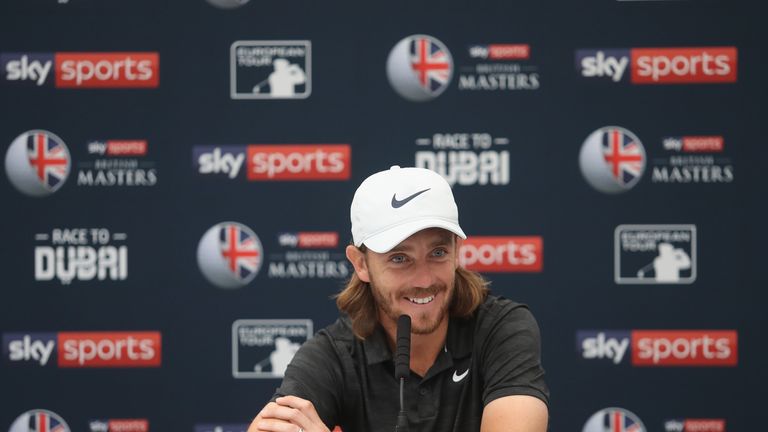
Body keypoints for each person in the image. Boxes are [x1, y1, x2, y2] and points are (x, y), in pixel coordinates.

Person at [248, 166, 549, 432]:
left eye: (438, 253)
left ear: (457, 250)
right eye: (400, 258)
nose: (424, 279)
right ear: (361, 264)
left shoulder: (501, 329)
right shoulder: (335, 354)